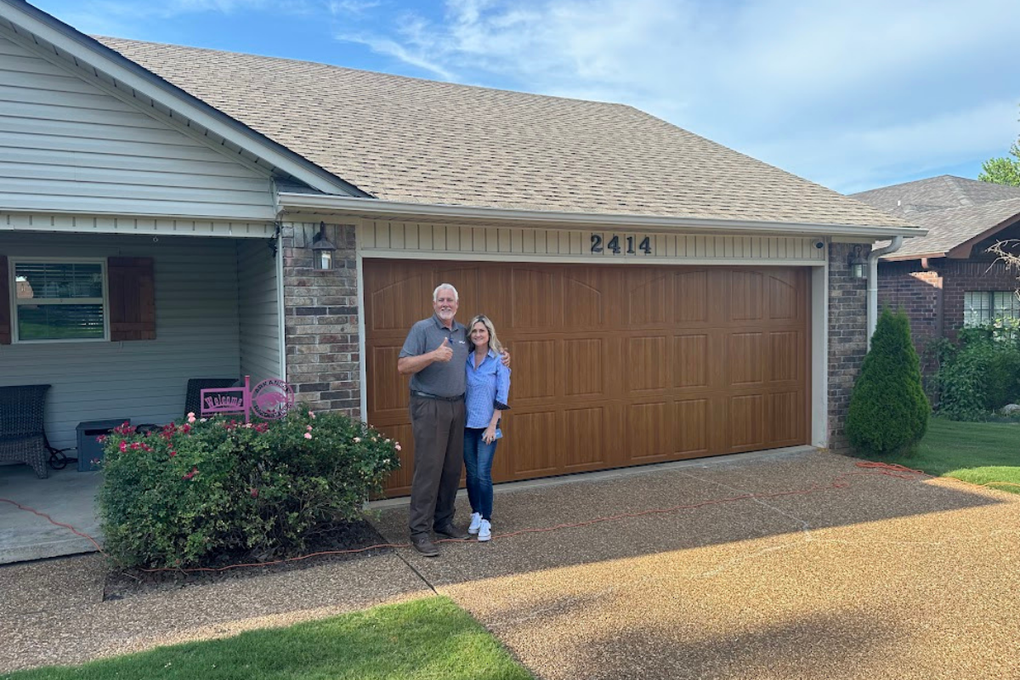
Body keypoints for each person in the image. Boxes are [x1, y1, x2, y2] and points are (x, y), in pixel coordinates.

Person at [396, 284, 508, 557]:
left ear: (457, 305)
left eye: (451, 300)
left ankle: (443, 521)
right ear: (434, 303)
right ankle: (420, 531)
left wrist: (503, 355)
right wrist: (433, 355)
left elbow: (484, 349)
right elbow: (402, 366)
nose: (446, 304)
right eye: (441, 299)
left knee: (450, 469)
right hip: (429, 405)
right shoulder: (422, 329)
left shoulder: (462, 333)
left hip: (458, 407)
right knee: (429, 468)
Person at [463, 315, 510, 543]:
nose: (478, 334)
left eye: (482, 330)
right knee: (471, 474)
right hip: (467, 425)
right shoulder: (467, 359)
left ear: (489, 333)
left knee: (483, 474)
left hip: (487, 427)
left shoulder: (498, 360)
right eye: (474, 331)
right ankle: (475, 513)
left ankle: (486, 519)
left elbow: (502, 395)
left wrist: (493, 425)